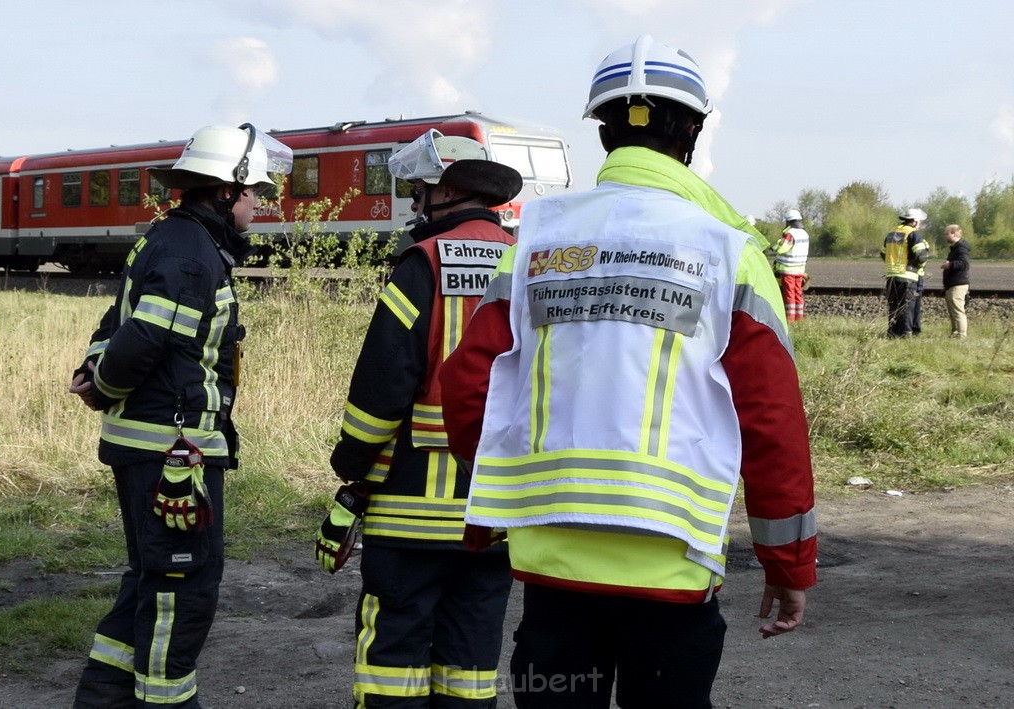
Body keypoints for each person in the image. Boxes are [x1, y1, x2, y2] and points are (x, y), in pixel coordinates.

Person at [440, 35, 817, 708]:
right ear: (694, 131)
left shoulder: (534, 239)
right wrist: (787, 564)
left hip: (552, 574)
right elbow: (772, 425)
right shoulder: (729, 252)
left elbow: (470, 384)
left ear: (605, 130)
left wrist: (499, 503)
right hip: (672, 573)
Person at [69, 123, 292, 708]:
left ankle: (102, 699)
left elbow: (113, 325)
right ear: (225, 191)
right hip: (172, 452)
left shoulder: (170, 239)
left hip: (151, 444)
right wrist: (103, 384)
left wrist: (95, 373)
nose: (258, 206)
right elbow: (144, 334)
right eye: (253, 195)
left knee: (150, 578)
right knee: (181, 589)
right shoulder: (192, 252)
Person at [316, 129, 523, 707]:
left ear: (448, 192)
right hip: (496, 511)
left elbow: (383, 383)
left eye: (420, 192)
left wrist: (352, 468)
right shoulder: (530, 263)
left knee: (393, 657)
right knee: (472, 659)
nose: (414, 205)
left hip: (409, 510)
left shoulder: (423, 262)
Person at [880, 207, 930, 338]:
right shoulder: (913, 234)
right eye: (919, 222)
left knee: (893, 306)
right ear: (913, 222)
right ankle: (906, 334)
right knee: (907, 306)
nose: (920, 225)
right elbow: (921, 257)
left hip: (891, 276)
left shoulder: (891, 234)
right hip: (908, 277)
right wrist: (920, 267)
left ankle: (892, 333)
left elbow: (883, 253)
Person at [772, 208, 810, 321]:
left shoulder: (789, 234)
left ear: (788, 221)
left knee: (789, 294)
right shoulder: (804, 233)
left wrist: (777, 245)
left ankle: (790, 319)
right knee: (798, 293)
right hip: (800, 269)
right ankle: (799, 317)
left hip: (788, 269)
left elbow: (782, 249)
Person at [941, 224, 971, 338]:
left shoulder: (961, 248)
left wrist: (950, 265)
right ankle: (955, 332)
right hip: (952, 284)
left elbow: (964, 264)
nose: (945, 236)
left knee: (958, 310)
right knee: (953, 310)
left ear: (954, 233)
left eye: (946, 233)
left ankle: (961, 334)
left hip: (958, 284)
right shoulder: (955, 248)